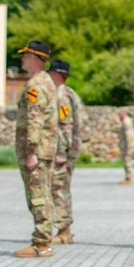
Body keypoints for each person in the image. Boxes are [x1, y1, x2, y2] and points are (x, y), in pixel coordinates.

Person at [13, 40, 59, 258]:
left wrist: (31, 150)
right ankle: (43, 240)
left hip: (37, 150)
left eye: (26, 56)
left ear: (35, 58)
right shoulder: (47, 82)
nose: (22, 59)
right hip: (45, 148)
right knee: (43, 194)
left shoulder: (36, 85)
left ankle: (41, 244)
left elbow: (35, 119)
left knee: (38, 195)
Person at [49, 59, 83, 245]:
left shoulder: (62, 95)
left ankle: (63, 231)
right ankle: (63, 229)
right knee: (61, 187)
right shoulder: (68, 93)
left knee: (59, 188)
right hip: (69, 148)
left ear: (56, 74)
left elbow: (65, 126)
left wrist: (61, 152)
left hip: (64, 149)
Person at [118, 110, 134, 184]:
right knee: (126, 161)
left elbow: (128, 133)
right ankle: (127, 177)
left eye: (120, 113)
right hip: (126, 144)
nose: (119, 115)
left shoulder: (126, 122)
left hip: (127, 145)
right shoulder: (127, 121)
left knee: (127, 161)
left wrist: (128, 145)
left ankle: (128, 177)